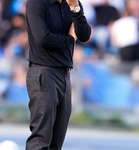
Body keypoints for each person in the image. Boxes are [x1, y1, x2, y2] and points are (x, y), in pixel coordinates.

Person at [25, 0, 91, 149]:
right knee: (41, 138)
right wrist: (70, 39)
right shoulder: (37, 3)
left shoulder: (72, 3)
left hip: (65, 74)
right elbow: (43, 39)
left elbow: (85, 35)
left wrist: (75, 9)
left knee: (57, 141)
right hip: (44, 72)